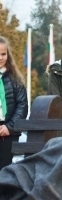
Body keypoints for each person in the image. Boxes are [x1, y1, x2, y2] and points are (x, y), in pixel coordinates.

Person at [0, 37, 28, 170]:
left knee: (5, 170)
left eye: (3, 54)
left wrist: (9, 128)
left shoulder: (15, 79)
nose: (0, 57)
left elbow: (22, 105)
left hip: (8, 132)